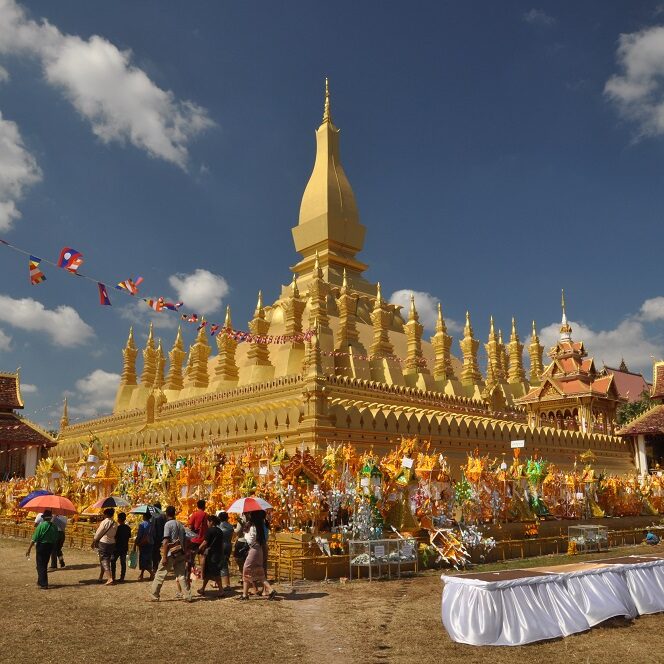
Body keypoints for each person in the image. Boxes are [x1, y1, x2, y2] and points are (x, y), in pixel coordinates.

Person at [149, 505, 192, 602]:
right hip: (180, 552)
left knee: (160, 575)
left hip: (170, 553)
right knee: (181, 575)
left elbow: (165, 541)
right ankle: (187, 596)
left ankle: (154, 595)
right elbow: (185, 540)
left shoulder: (168, 524)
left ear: (166, 514)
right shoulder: (180, 524)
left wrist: (164, 556)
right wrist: (184, 552)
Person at [238, 510, 276, 601]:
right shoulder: (259, 526)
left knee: (246, 570)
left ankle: (245, 594)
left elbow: (250, 540)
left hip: (253, 550)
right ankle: (270, 590)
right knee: (259, 571)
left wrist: (245, 533)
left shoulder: (253, 527)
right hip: (258, 550)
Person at [26, 509, 59, 590]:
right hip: (50, 546)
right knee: (43, 564)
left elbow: (34, 538)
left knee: (41, 565)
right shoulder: (54, 526)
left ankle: (44, 583)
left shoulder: (41, 526)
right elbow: (56, 538)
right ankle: (40, 581)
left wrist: (29, 549)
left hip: (41, 546)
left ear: (44, 518)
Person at [197, 514, 224, 597]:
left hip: (211, 554)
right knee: (208, 572)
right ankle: (202, 589)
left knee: (215, 573)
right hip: (218, 553)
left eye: (208, 522)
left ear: (211, 522)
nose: (207, 523)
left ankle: (221, 590)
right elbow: (221, 544)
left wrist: (198, 549)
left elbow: (205, 542)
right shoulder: (220, 531)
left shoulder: (209, 531)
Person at [93, 508, 118, 586]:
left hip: (104, 542)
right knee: (106, 560)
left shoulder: (104, 522)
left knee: (104, 560)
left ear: (106, 514)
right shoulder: (115, 523)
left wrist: (94, 540)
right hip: (112, 542)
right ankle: (101, 577)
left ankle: (109, 578)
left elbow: (98, 534)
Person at [187, 499, 208, 578]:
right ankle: (202, 575)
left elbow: (190, 527)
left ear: (197, 506)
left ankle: (191, 572)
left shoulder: (194, 515)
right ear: (204, 506)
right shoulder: (206, 515)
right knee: (202, 557)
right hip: (203, 539)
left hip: (194, 539)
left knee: (191, 556)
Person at [134, 512, 155, 581]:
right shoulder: (152, 524)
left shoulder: (142, 524)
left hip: (143, 543)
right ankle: (142, 574)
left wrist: (136, 542)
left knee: (143, 559)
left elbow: (139, 535)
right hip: (151, 543)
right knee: (148, 558)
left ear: (144, 517)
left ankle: (151, 573)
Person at [112, 512, 131, 582]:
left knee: (113, 561)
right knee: (123, 563)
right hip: (124, 547)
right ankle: (122, 577)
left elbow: (115, 537)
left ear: (119, 519)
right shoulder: (128, 528)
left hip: (117, 547)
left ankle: (113, 577)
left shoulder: (117, 528)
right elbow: (129, 537)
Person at [217, 511, 234, 593]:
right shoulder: (230, 526)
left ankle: (226, 584)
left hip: (221, 546)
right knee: (225, 562)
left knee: (222, 564)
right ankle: (222, 583)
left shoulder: (218, 526)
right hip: (228, 545)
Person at [150, 502, 166, 574]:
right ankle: (159, 564)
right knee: (156, 552)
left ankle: (155, 567)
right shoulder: (163, 515)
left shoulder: (156, 516)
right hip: (161, 536)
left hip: (156, 537)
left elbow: (154, 528)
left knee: (154, 552)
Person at [233, 514, 250, 583]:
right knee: (245, 560)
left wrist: (233, 528)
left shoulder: (242, 518)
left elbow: (237, 530)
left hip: (241, 541)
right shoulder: (251, 518)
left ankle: (243, 576)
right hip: (248, 542)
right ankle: (244, 576)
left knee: (238, 559)